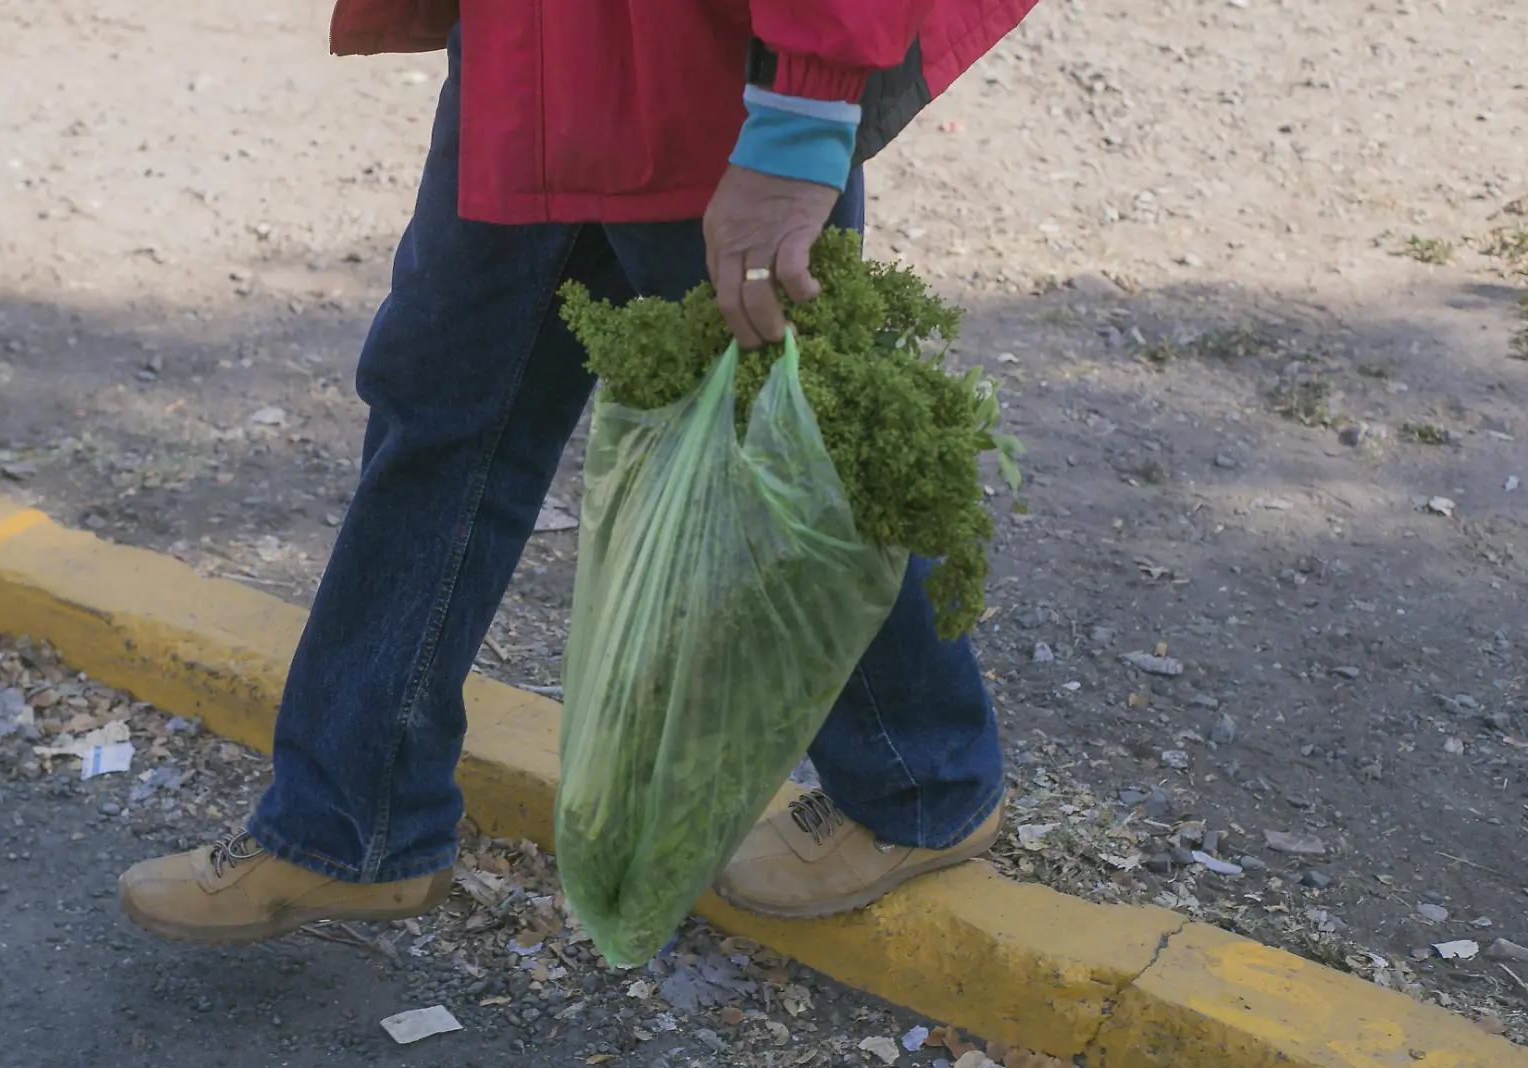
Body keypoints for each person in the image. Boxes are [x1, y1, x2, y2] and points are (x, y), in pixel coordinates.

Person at [118, 0, 1039, 943]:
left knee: (791, 433)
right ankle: (346, 824)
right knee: (438, 405)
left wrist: (804, 116)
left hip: (699, 57)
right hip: (533, 38)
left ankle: (922, 782)